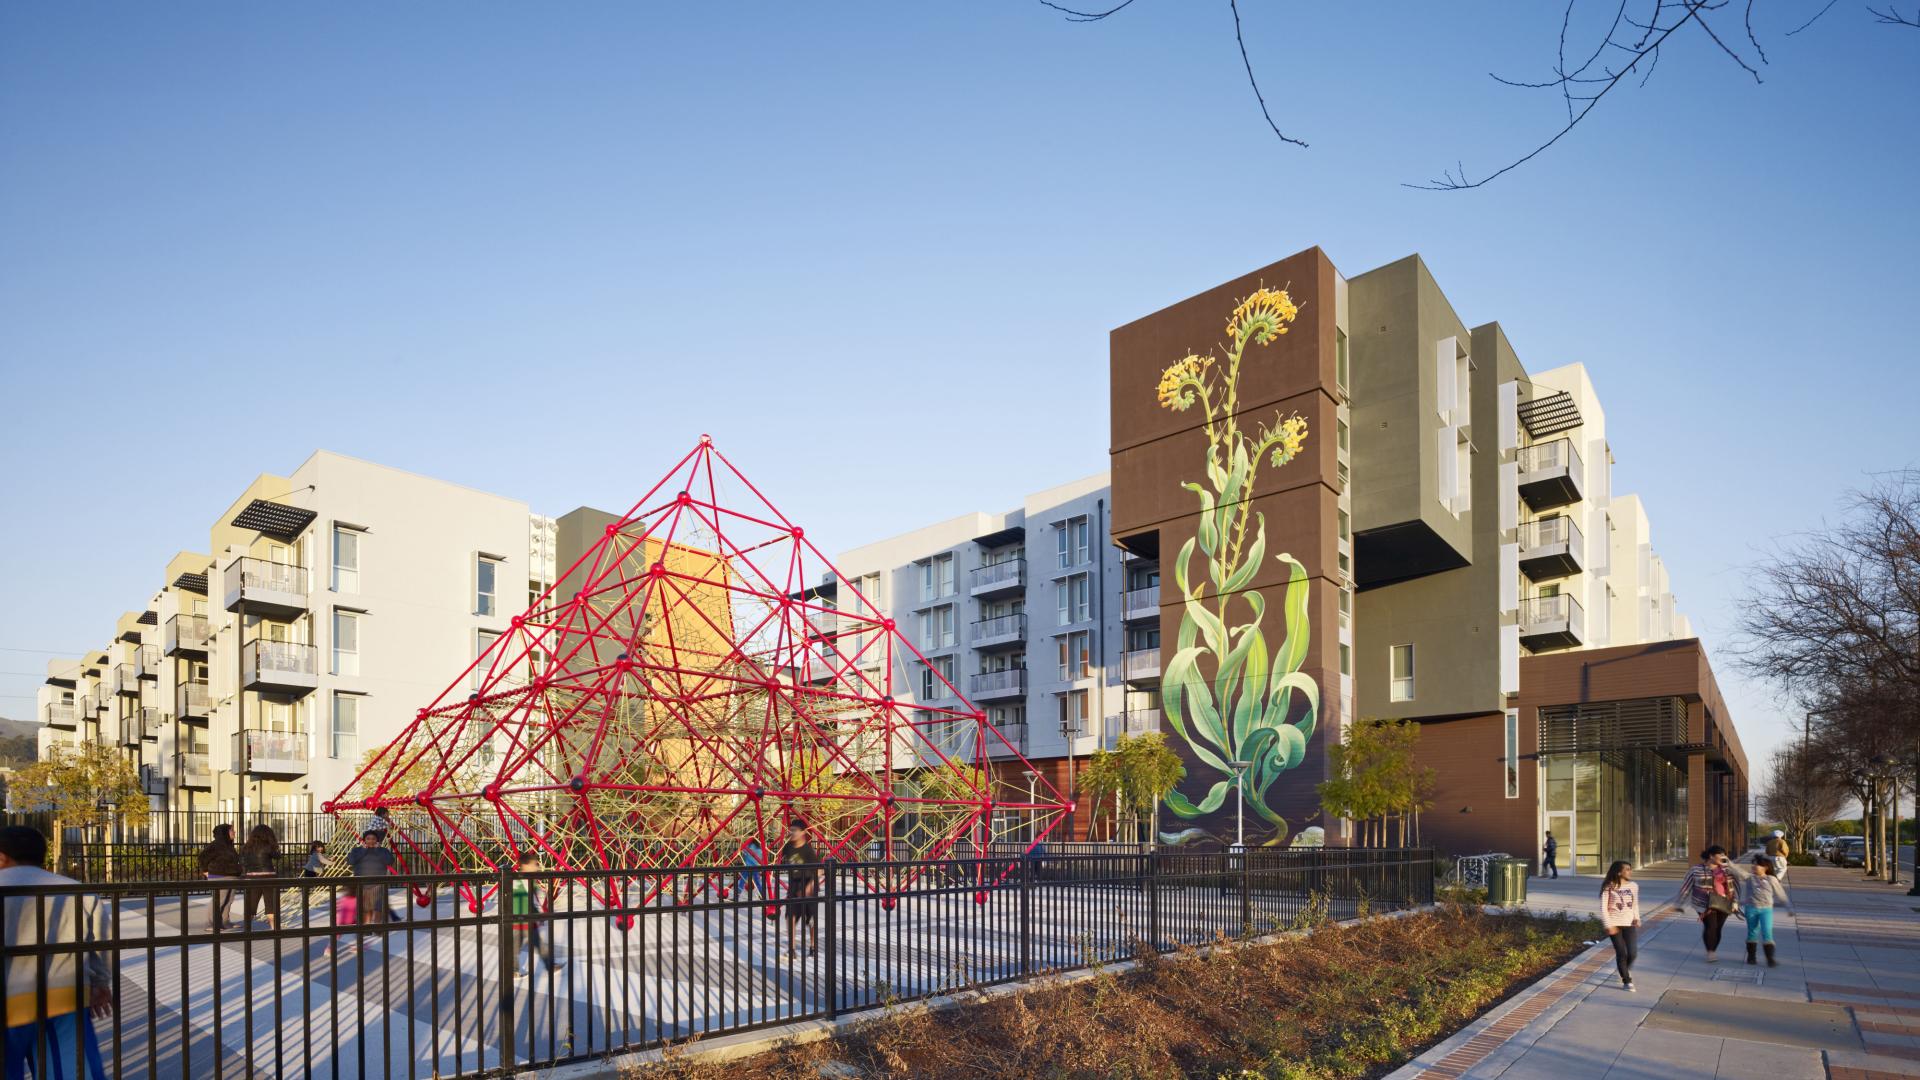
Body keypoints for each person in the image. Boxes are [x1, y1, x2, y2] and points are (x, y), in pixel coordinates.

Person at [0, 825, 111, 1080]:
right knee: (69, 1071)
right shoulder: (76, 891)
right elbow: (99, 943)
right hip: (63, 996)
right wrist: (100, 983)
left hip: (8, 996)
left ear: (2, 856)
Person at [1673, 845, 1738, 962]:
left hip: (1724, 902)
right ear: (1711, 856)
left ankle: (1713, 949)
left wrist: (1735, 902)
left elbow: (1733, 887)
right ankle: (1710, 952)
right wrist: (1679, 903)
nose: (1723, 857)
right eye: (1721, 854)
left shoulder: (1726, 869)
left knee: (1718, 928)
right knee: (1710, 926)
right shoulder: (1696, 869)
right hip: (1704, 904)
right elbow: (1686, 887)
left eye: (1724, 854)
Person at [1729, 853, 1794, 967]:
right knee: (1752, 932)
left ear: (1765, 867)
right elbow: (1737, 870)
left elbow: (1781, 894)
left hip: (1766, 909)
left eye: (1757, 865)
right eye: (1753, 865)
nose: (1754, 867)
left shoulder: (1772, 879)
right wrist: (1727, 861)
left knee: (1767, 932)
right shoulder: (1749, 878)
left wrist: (1789, 908)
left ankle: (1770, 959)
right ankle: (1751, 957)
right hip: (1751, 909)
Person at [776, 818, 823, 961]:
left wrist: (810, 886)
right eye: (791, 830)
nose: (792, 833)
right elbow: (777, 859)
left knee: (811, 920)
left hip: (808, 886)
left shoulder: (808, 851)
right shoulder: (788, 847)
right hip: (794, 886)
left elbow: (819, 870)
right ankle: (792, 950)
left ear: (803, 832)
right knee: (790, 918)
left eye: (795, 830)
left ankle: (813, 947)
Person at [508, 852, 556, 978]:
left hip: (528, 919)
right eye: (534, 864)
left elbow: (531, 901)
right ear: (525, 865)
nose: (537, 867)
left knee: (539, 944)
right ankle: (513, 970)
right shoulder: (520, 880)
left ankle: (550, 965)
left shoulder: (530, 880)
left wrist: (537, 914)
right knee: (515, 948)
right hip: (518, 920)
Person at [344, 829, 398, 936]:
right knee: (365, 908)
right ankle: (366, 927)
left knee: (378, 908)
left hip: (378, 883)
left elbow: (389, 861)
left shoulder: (383, 850)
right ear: (364, 840)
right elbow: (350, 861)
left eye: (373, 839)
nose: (371, 841)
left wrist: (378, 850)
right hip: (362, 884)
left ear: (377, 840)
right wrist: (363, 850)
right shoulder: (357, 850)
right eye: (368, 839)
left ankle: (377, 927)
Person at [1599, 861, 1642, 992]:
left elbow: (1635, 904)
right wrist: (1608, 925)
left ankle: (1624, 970)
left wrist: (1637, 918)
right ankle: (1627, 980)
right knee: (1621, 953)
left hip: (1629, 923)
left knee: (1633, 953)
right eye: (1627, 869)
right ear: (1619, 872)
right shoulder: (1609, 887)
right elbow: (1604, 908)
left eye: (1630, 869)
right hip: (1614, 924)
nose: (1630, 872)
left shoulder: (1633, 886)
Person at [196, 824, 242, 932]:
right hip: (219, 876)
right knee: (219, 900)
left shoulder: (229, 845)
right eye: (232, 830)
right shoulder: (216, 845)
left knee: (228, 900)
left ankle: (225, 922)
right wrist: (205, 871)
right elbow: (202, 857)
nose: (234, 832)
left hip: (232, 876)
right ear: (225, 833)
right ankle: (211, 923)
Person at [239, 825, 282, 931]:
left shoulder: (246, 847)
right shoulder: (268, 846)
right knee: (270, 905)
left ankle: (247, 929)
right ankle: (274, 929)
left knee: (251, 905)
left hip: (252, 878)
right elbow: (277, 856)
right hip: (269, 877)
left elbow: (243, 863)